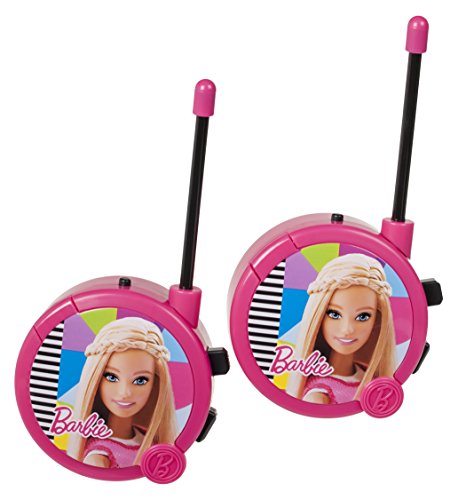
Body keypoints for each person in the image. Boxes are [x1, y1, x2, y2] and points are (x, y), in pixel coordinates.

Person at [67, 317, 177, 467]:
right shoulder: (99, 456)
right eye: (111, 377)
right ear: (95, 379)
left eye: (140, 380)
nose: (125, 393)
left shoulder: (148, 438)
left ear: (155, 383)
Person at [286, 253, 396, 404]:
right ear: (318, 316)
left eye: (363, 316)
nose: (347, 329)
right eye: (334, 314)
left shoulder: (368, 374)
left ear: (377, 319)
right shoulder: (319, 395)